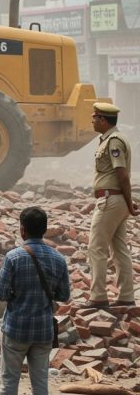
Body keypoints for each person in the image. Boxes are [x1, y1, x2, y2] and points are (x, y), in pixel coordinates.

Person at [0, 207, 69, 395]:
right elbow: (64, 295)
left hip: (16, 329)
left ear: (22, 229)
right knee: (40, 383)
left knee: (9, 380)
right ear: (45, 229)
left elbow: (0, 293)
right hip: (43, 331)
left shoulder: (14, 257)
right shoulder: (58, 258)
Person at [86, 102, 136, 308]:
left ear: (104, 120)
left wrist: (130, 203)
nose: (92, 120)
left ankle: (98, 296)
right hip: (117, 200)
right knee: (119, 248)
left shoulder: (113, 142)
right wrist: (128, 203)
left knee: (96, 248)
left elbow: (122, 175)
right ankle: (126, 296)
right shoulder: (112, 139)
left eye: (95, 117)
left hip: (110, 200)